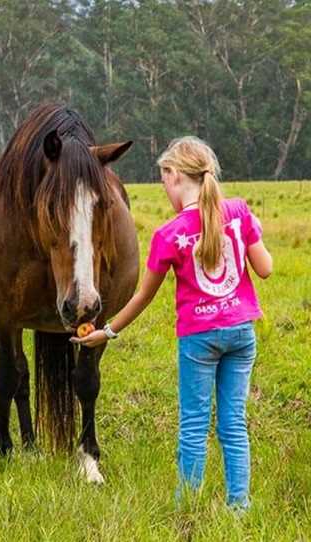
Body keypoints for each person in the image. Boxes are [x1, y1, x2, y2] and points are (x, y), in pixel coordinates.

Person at [72, 136, 273, 510]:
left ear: (176, 175)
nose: (164, 187)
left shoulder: (168, 235)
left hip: (199, 341)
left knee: (194, 427)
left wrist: (108, 332)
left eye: (164, 178)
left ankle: (188, 510)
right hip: (242, 334)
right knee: (234, 426)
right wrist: (253, 231)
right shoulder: (239, 212)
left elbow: (142, 297)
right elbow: (266, 269)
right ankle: (238, 509)